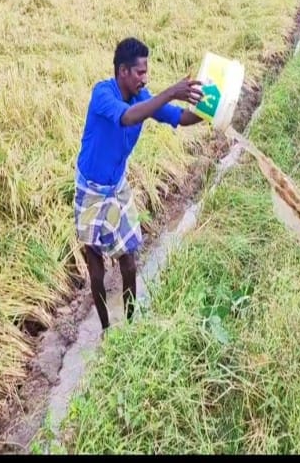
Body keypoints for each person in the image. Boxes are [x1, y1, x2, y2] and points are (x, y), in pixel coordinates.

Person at [74, 36, 204, 332]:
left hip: (117, 186)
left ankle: (130, 326)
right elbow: (128, 118)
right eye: (140, 72)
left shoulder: (142, 98)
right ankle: (106, 329)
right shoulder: (103, 94)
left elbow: (182, 118)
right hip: (91, 189)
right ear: (122, 71)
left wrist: (213, 110)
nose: (145, 78)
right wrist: (172, 91)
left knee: (129, 259)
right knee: (95, 264)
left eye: (147, 72)